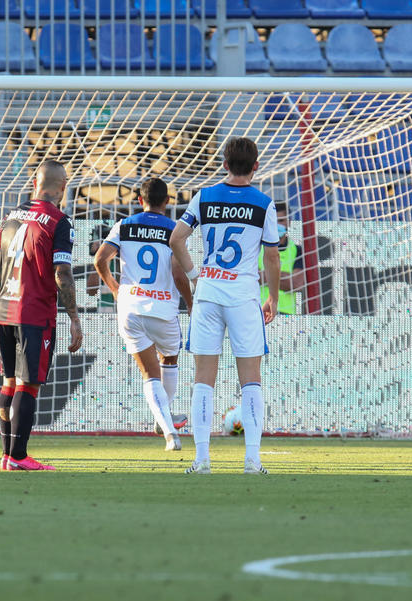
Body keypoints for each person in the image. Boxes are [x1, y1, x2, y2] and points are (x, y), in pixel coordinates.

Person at [169, 137, 281, 475]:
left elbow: (176, 239)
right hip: (244, 296)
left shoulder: (205, 197)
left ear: (224, 164)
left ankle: (201, 460)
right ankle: (252, 460)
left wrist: (194, 273)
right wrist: (273, 296)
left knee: (203, 379)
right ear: (257, 166)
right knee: (251, 379)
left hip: (209, 294)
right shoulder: (263, 203)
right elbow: (272, 255)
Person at [0, 159, 83, 471]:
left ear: (34, 184)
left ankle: (7, 455)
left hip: (4, 310)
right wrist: (73, 316)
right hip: (34, 313)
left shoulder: (10, 217)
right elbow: (63, 272)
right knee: (28, 386)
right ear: (63, 187)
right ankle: (18, 457)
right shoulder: (59, 221)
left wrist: (2, 304)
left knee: (8, 382)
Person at [94, 178, 193, 451]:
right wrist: (191, 302)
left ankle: (167, 428)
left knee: (150, 374)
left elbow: (100, 259)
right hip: (163, 309)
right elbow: (177, 272)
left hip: (131, 307)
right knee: (169, 359)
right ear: (167, 202)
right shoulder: (174, 230)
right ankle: (167, 425)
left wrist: (114, 288)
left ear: (140, 200)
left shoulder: (124, 226)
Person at [258, 202, 305, 316]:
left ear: (288, 222)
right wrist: (285, 277)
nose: (276, 225)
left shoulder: (298, 250)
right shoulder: (256, 248)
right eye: (273, 221)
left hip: (286, 314)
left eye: (281, 221)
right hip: (257, 310)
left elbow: (296, 284)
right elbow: (249, 276)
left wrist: (264, 275)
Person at [86, 222, 116, 313]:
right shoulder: (97, 261)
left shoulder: (121, 257)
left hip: (122, 307)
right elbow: (91, 292)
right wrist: (100, 255)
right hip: (105, 311)